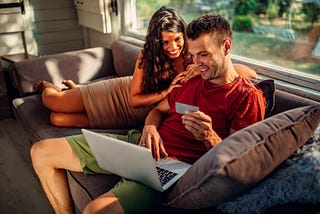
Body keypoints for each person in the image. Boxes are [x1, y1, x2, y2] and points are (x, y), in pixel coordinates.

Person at [30, 13, 266, 214]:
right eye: (193, 55)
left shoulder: (246, 97)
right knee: (41, 151)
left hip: (172, 167)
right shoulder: (191, 78)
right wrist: (150, 126)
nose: (196, 63)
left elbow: (237, 165)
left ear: (226, 46)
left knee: (95, 210)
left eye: (203, 54)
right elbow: (157, 111)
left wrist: (209, 136)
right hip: (138, 145)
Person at [32, 6, 257, 128]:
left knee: (57, 119)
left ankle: (74, 89)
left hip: (142, 116)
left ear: (185, 35)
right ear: (157, 41)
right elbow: (133, 99)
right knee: (54, 102)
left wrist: (197, 69)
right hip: (122, 95)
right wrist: (166, 92)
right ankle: (50, 87)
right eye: (165, 42)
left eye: (178, 40)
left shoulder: (196, 56)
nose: (173, 47)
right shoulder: (148, 54)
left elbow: (247, 74)